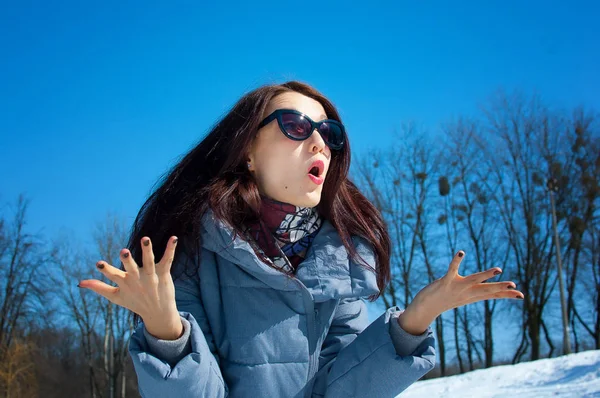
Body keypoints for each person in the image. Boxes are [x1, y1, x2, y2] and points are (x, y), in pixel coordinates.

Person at [78, 81, 524, 397]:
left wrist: (416, 320)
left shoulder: (341, 266)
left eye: (330, 134)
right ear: (248, 151)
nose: (320, 143)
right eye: (295, 125)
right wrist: (168, 335)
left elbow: (340, 391)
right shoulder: (190, 254)